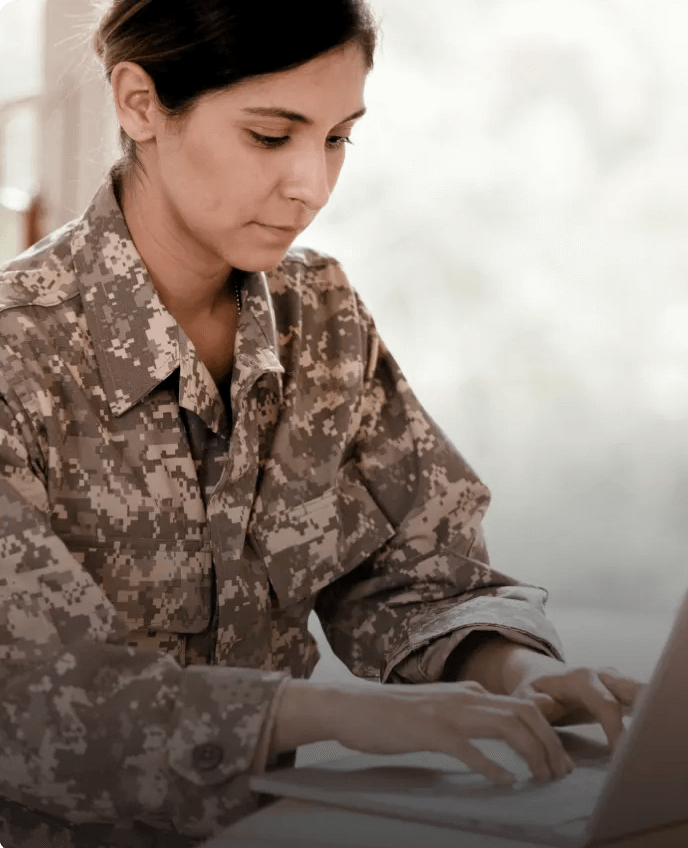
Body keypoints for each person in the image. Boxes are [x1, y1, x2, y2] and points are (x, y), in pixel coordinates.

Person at [0, 1, 644, 846]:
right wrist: (349, 713)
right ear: (139, 103)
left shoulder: (321, 313)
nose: (311, 183)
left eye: (338, 137)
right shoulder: (17, 353)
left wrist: (516, 673)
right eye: (272, 136)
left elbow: (410, 574)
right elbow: (36, 705)